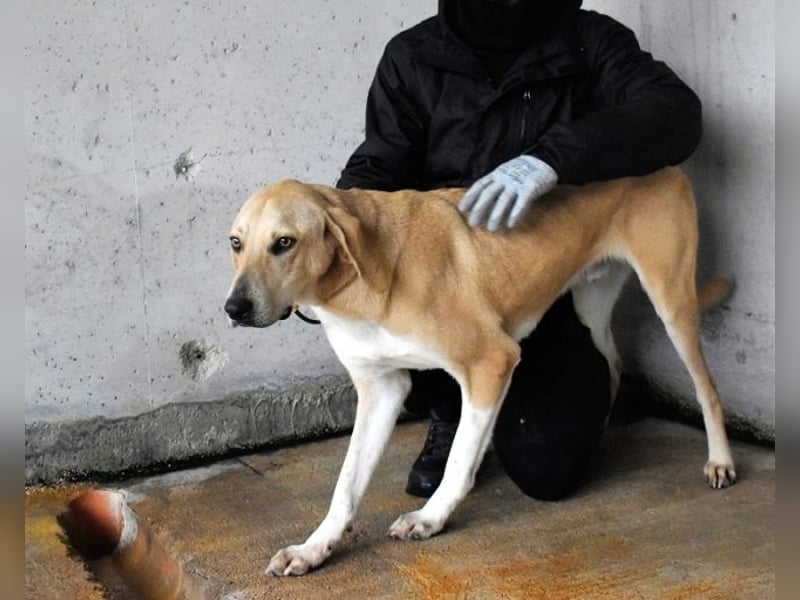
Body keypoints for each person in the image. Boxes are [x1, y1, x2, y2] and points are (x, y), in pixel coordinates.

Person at [336, 0, 702, 501]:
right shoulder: (413, 56)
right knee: (390, 331)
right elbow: (377, 171)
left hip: (546, 291)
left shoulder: (588, 40)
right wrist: (326, 248)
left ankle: (575, 388)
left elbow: (674, 112)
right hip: (445, 295)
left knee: (549, 470)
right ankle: (449, 408)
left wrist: (552, 159)